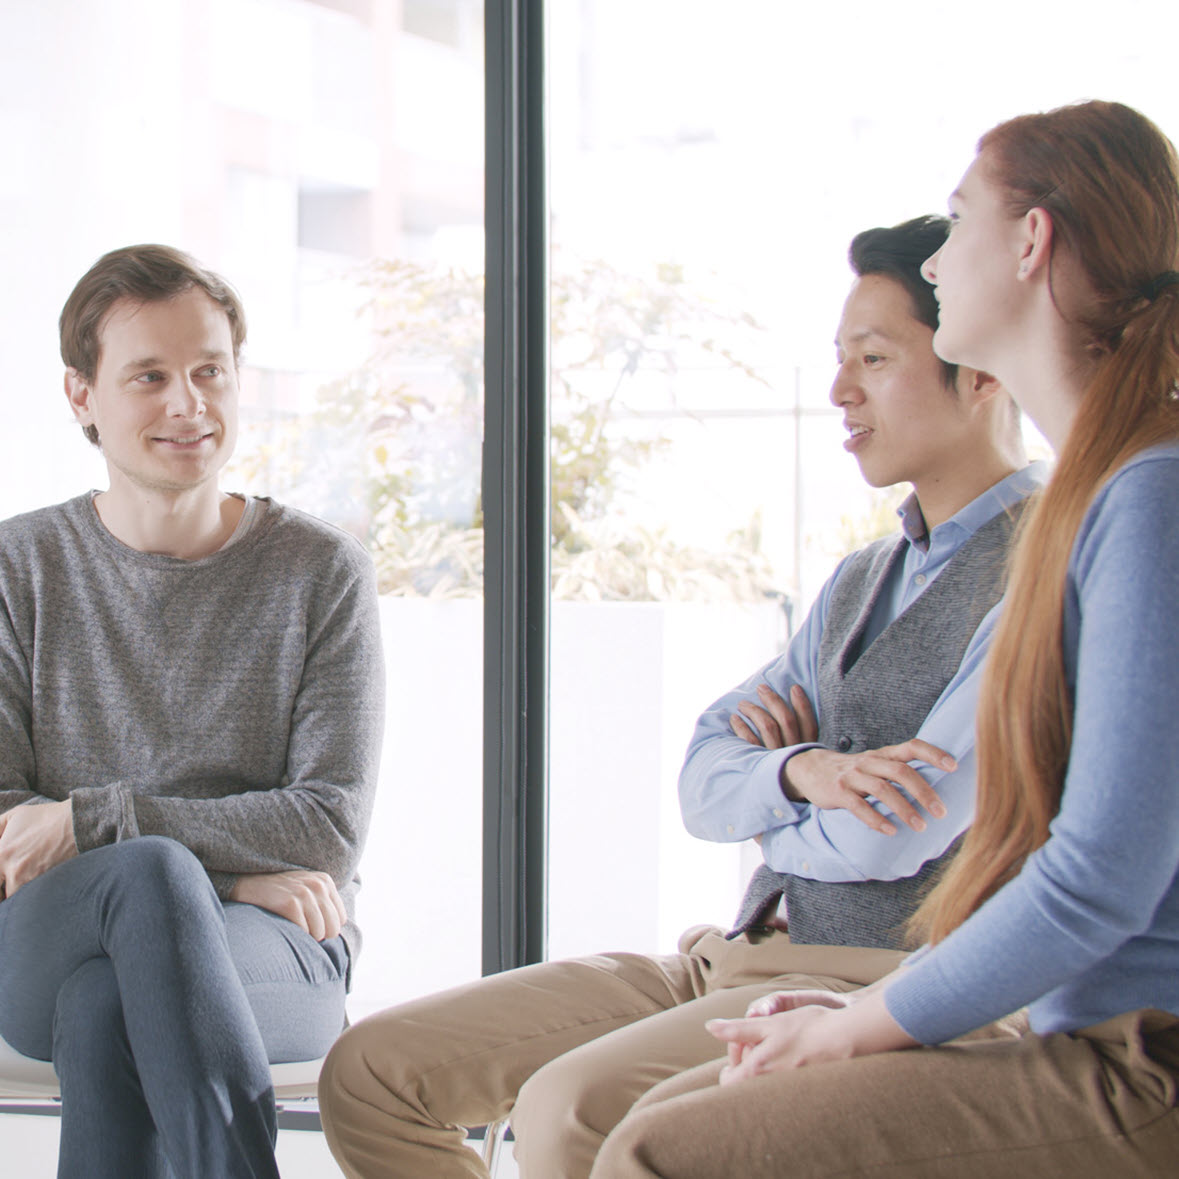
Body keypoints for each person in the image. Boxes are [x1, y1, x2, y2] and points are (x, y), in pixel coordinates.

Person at [317, 216, 1044, 1179]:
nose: (839, 391)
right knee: (371, 1072)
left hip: (870, 974)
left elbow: (893, 835)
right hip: (725, 953)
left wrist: (771, 808)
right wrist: (807, 771)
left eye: (872, 357)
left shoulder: (1045, 569)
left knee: (564, 1108)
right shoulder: (858, 577)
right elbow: (705, 780)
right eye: (838, 358)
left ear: (980, 369)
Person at [587, 99, 1179, 1179]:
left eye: (958, 223)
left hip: (1138, 1068)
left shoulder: (1150, 498)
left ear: (1033, 240)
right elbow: (715, 767)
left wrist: (867, 1023)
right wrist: (888, 1006)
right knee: (668, 1108)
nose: (942, 259)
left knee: (658, 1151)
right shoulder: (1100, 499)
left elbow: (1099, 879)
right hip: (1063, 1030)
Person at [0, 244, 384, 1179]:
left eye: (210, 370)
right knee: (150, 885)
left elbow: (326, 827)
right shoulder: (19, 568)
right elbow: (10, 826)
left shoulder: (320, 573)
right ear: (81, 395)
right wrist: (228, 875)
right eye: (150, 376)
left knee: (105, 1006)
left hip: (284, 946)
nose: (189, 403)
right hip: (54, 932)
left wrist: (102, 821)